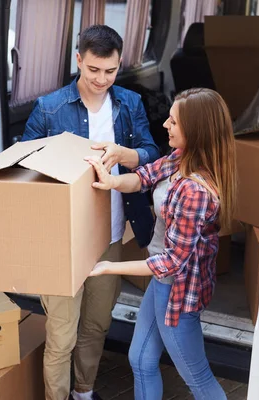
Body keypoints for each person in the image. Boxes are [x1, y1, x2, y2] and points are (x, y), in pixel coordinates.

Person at [21, 25, 160, 400]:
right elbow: (20, 169)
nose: (101, 79)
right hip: (60, 241)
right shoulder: (49, 108)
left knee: (97, 325)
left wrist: (123, 155)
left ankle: (83, 392)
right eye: (93, 70)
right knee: (62, 332)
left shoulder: (129, 104)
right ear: (79, 60)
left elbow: (151, 154)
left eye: (110, 71)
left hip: (110, 235)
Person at [85, 88, 237, 400]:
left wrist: (109, 267)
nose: (165, 124)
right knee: (140, 359)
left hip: (176, 291)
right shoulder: (182, 158)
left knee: (199, 380)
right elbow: (144, 177)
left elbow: (171, 262)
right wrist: (112, 181)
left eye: (174, 122)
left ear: (195, 131)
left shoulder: (195, 191)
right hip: (162, 282)